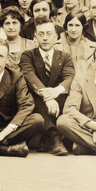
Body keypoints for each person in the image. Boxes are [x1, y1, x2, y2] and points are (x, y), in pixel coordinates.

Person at [20, 18, 75, 155]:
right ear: (35, 37)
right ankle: (54, 137)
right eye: (41, 34)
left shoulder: (64, 56)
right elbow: (29, 76)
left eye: (49, 34)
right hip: (37, 101)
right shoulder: (28, 55)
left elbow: (69, 77)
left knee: (67, 94)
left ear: (56, 36)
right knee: (33, 95)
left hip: (58, 102)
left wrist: (55, 92)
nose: (45, 38)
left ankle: (47, 140)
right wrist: (47, 97)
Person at [60, 9, 95, 77]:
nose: (73, 29)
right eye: (70, 25)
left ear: (83, 26)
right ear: (66, 26)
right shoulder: (56, 47)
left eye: (77, 25)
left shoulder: (92, 48)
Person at [0, 6, 36, 71]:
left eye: (14, 23)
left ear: (20, 25)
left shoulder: (32, 45)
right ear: (2, 26)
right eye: (7, 23)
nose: (11, 27)